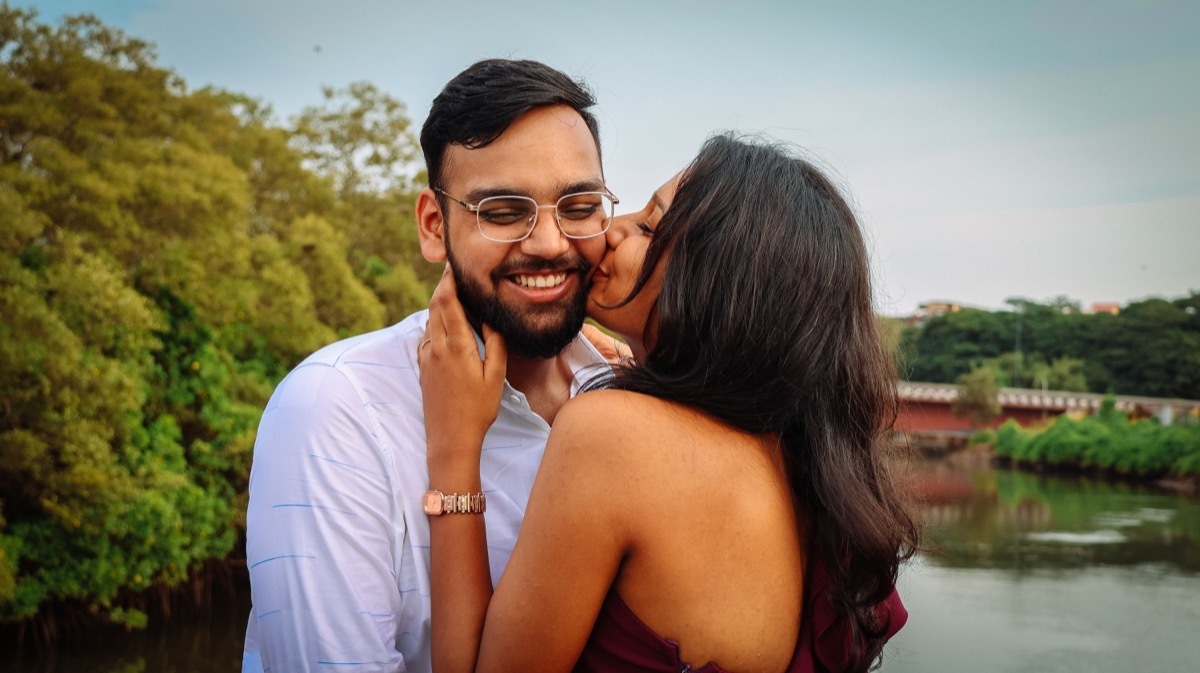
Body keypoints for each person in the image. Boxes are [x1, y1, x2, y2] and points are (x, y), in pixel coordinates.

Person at [419, 133, 920, 673]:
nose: (611, 230)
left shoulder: (613, 434)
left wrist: (455, 446)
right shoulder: (794, 462)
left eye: (649, 227)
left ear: (715, 283)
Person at [241, 59, 619, 673]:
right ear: (434, 225)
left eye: (578, 206)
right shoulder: (336, 408)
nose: (550, 243)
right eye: (503, 211)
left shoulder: (628, 393)